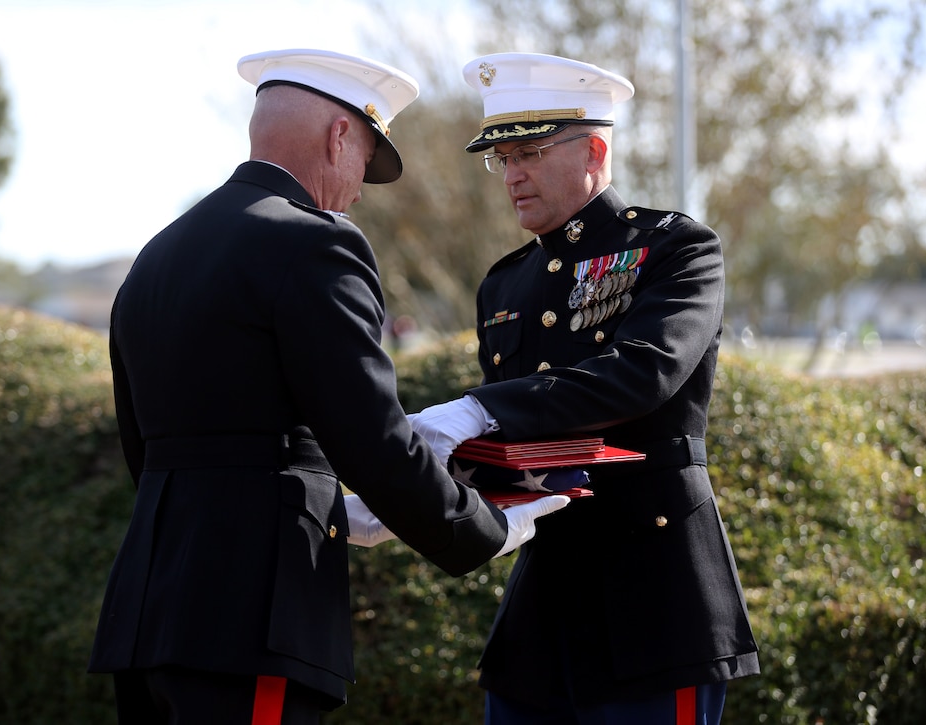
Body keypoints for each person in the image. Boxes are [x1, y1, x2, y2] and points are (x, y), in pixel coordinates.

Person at [87, 48, 569, 725]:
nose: (359, 188)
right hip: (256, 613)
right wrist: (477, 527)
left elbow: (148, 448)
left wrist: (328, 503)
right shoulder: (316, 244)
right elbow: (369, 434)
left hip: (149, 610)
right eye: (365, 160)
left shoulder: (161, 252)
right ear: (340, 135)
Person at [409, 52, 760, 724]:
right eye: (501, 159)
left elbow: (642, 372)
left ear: (594, 150)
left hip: (655, 604)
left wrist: (477, 409)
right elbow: (514, 446)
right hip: (541, 615)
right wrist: (429, 475)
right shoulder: (506, 282)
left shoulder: (676, 249)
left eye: (531, 153)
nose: (512, 175)